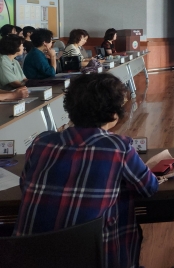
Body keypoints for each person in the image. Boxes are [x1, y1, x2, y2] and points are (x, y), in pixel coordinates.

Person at [14, 73, 159, 268]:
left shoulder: (41, 142)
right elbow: (149, 188)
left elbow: (24, 184)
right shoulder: (118, 146)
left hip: (29, 258)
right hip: (93, 258)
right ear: (114, 112)